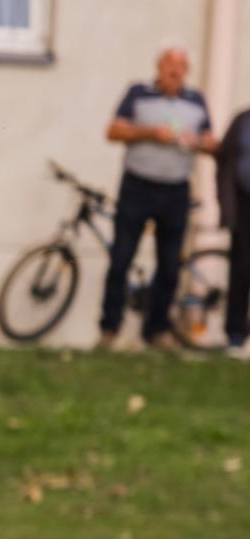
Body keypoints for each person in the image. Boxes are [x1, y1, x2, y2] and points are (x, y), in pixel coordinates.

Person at [99, 45, 216, 349]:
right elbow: (113, 131)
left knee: (169, 265)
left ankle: (156, 331)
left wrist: (198, 142)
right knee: (121, 257)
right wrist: (151, 133)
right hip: (137, 187)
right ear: (159, 67)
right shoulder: (138, 93)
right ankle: (109, 329)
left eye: (181, 66)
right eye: (170, 65)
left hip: (175, 191)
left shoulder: (196, 101)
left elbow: (212, 143)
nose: (175, 71)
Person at [214, 104, 250, 360]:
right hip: (244, 204)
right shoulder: (242, 120)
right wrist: (227, 208)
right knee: (241, 270)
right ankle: (235, 336)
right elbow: (223, 160)